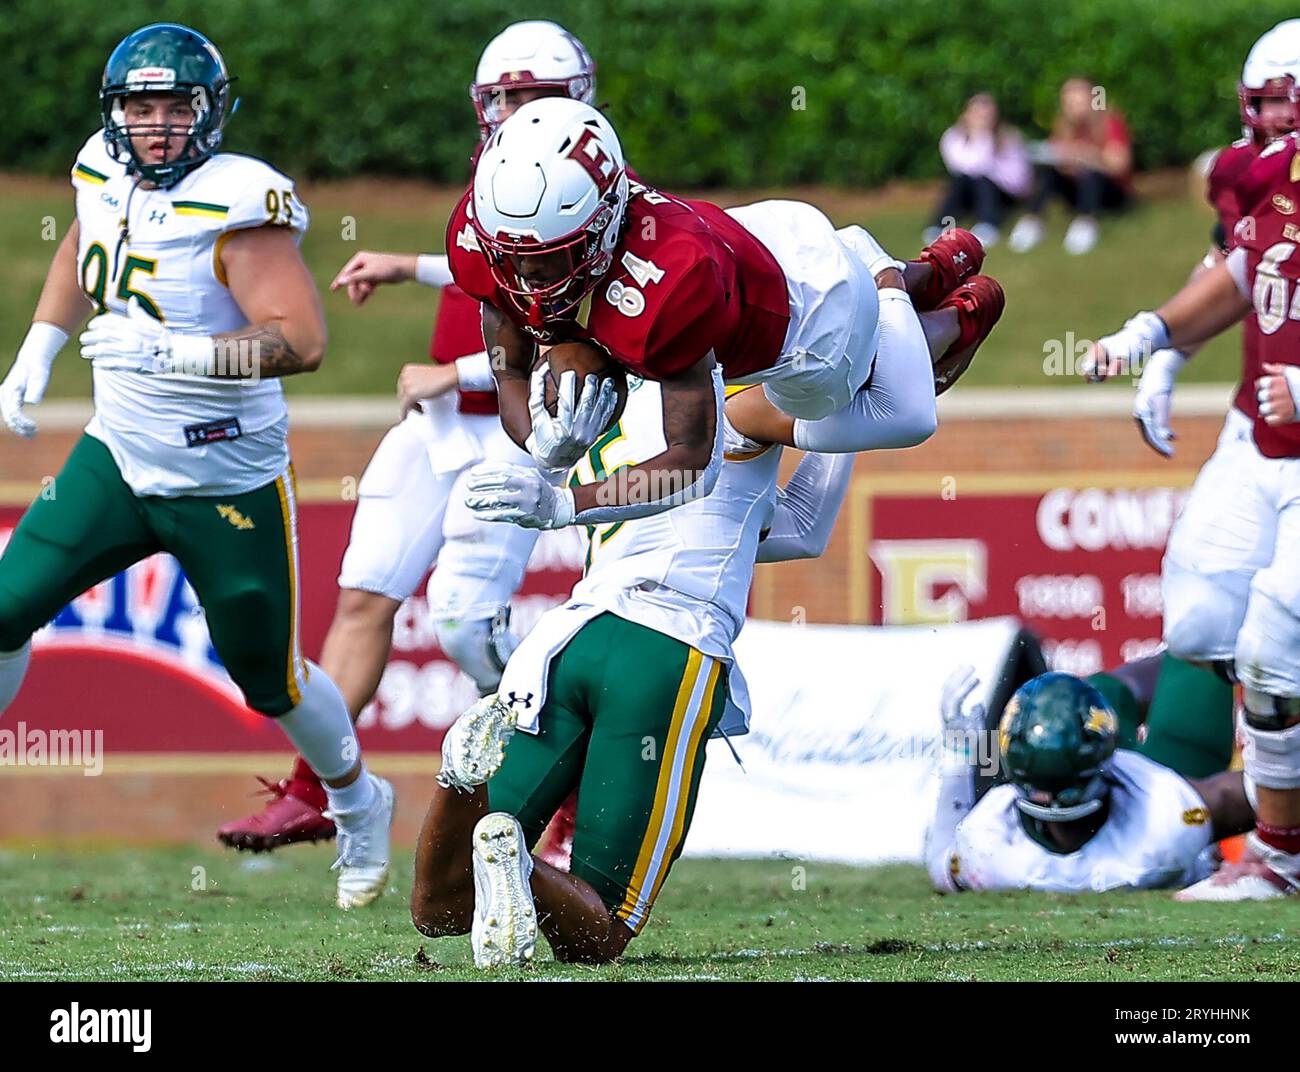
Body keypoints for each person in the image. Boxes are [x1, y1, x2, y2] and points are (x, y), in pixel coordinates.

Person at [410, 252, 987, 967]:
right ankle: (518, 864)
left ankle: (459, 785)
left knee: (440, 908)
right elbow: (885, 418)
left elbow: (773, 528)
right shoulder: (730, 393)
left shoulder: (596, 404)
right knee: (602, 934)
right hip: (664, 644)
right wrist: (892, 295)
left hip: (567, 640)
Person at [0, 23, 392, 908]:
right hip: (118, 458)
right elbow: (80, 248)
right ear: (116, 112)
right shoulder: (99, 169)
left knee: (270, 679)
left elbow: (301, 341)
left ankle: (359, 803)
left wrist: (181, 354)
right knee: (2, 607)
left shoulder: (239, 201)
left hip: (225, 480)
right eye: (141, 106)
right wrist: (39, 345)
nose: (159, 125)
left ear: (212, 113)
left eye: (179, 107)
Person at [214, 20, 596, 854]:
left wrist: (454, 373)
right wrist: (407, 265)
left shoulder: (599, 190)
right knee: (364, 593)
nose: (512, 111)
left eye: (530, 94)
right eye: (502, 96)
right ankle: (320, 787)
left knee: (462, 625)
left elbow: (576, 326)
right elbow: (488, 270)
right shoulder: (499, 169)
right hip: (443, 423)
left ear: (576, 99)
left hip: (515, 425)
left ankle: (563, 765)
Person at [448, 97, 1005, 534]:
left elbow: (693, 462)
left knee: (905, 414)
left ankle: (936, 302)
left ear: (604, 220)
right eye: (510, 255)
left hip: (816, 322)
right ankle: (918, 270)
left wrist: (565, 503)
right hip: (762, 233)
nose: (528, 277)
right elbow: (508, 354)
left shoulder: (670, 289)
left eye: (550, 258)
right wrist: (535, 440)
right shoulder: (493, 232)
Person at [1082, 111, 1300, 899]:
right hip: (1261, 442)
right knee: (1204, 611)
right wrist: (1154, 342)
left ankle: (1281, 860)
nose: (1276, 123)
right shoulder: (1271, 177)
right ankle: (1187, 835)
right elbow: (1241, 275)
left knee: (1279, 635)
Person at [925, 670, 1253, 893]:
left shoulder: (989, 847)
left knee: (1095, 692)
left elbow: (940, 863)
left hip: (1115, 805)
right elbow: (1269, 795)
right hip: (1155, 790)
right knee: (1197, 661)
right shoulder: (1164, 826)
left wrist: (958, 753)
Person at [1007, 76, 1133, 255]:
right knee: (1049, 174)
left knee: (1091, 174)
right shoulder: (1064, 125)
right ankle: (1032, 222)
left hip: (1110, 193)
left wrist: (1087, 156)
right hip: (1077, 190)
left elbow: (1119, 166)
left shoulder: (1109, 122)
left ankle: (1086, 224)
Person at [926, 93, 1032, 249]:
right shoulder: (953, 137)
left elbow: (995, 170)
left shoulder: (1007, 138)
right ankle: (943, 225)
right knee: (960, 181)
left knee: (983, 180)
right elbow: (958, 166)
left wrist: (983, 137)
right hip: (969, 191)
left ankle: (987, 225)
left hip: (1002, 195)